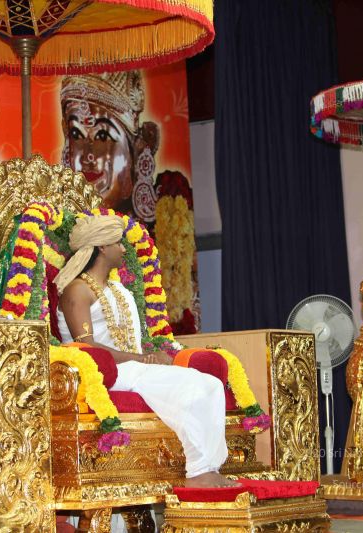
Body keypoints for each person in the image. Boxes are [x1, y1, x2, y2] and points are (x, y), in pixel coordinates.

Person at [54, 215, 238, 488]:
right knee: (190, 388)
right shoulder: (77, 291)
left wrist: (148, 359)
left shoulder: (119, 290)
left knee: (209, 384)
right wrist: (143, 359)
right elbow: (88, 346)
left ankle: (208, 468)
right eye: (117, 243)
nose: (123, 249)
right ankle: (199, 472)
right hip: (103, 373)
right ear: (102, 247)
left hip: (133, 368)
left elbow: (133, 341)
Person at [60, 71, 159, 222]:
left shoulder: (155, 232)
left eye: (102, 136)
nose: (87, 155)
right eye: (76, 134)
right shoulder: (57, 231)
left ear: (136, 148)